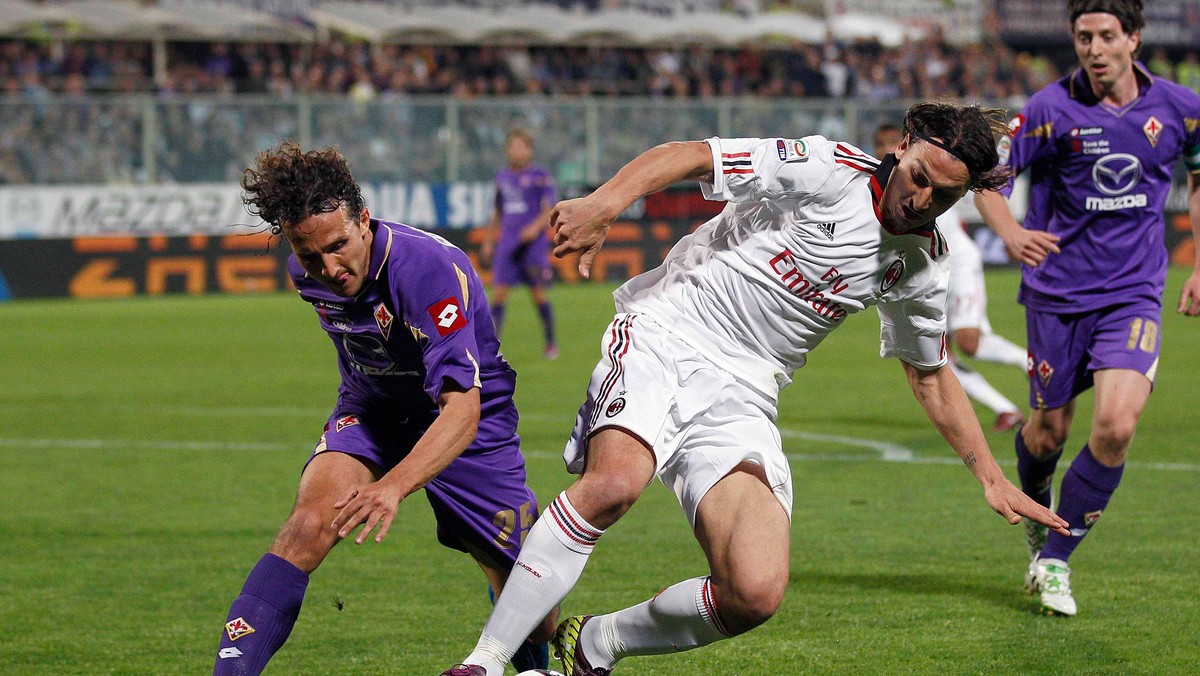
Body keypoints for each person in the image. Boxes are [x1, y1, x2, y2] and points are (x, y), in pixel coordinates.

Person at [442, 103, 1068, 676]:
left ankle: (595, 644)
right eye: (921, 176)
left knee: (756, 589)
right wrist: (604, 204)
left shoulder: (923, 263)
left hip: (745, 392)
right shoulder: (827, 170)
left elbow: (928, 373)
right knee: (615, 482)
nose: (923, 198)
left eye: (945, 194)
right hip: (668, 327)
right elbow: (695, 156)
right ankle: (487, 662)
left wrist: (988, 474)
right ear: (902, 146)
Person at [213, 142, 554, 674]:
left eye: (339, 245)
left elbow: (462, 410)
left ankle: (537, 661)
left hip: (466, 419)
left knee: (536, 612)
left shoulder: (427, 269)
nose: (330, 268)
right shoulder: (305, 275)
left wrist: (392, 485)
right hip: (371, 410)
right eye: (310, 256)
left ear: (364, 220)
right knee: (306, 525)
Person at [974, 0, 1200, 617]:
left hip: (1134, 293)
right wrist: (1013, 232)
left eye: (1106, 36)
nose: (1094, 49)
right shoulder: (1050, 109)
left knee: (1117, 426)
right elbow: (989, 178)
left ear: (1134, 38)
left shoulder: (1181, 109)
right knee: (1048, 433)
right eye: (1082, 37)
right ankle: (1038, 498)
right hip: (1056, 295)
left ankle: (1054, 560)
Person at [874, 123, 1029, 433]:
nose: (887, 148)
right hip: (926, 271)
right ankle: (1006, 410)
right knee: (940, 356)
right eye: (881, 143)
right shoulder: (880, 183)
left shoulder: (926, 168)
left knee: (969, 342)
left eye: (893, 141)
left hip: (957, 263)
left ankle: (1031, 363)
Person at [483, 128, 559, 359]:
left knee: (538, 294)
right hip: (508, 242)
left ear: (529, 150)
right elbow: (497, 211)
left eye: (521, 147)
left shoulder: (540, 176)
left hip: (532, 245)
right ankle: (491, 348)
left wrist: (535, 228)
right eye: (513, 147)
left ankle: (550, 344)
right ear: (507, 150)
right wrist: (488, 240)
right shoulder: (502, 178)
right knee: (498, 295)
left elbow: (549, 209)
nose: (516, 151)